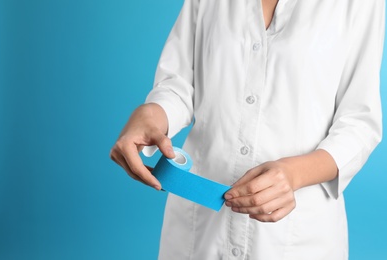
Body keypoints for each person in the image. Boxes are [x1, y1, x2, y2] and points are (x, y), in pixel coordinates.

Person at [110, 0, 385, 259]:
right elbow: (179, 85)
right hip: (200, 232)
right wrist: (152, 114)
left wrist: (293, 174)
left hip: (296, 237)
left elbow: (359, 121)